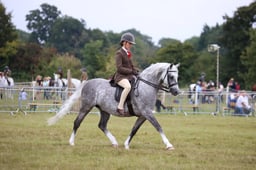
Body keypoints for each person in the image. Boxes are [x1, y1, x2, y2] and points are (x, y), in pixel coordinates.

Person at [114, 32, 139, 115]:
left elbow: (131, 66)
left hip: (128, 76)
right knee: (128, 87)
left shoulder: (128, 53)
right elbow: (119, 68)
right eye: (130, 43)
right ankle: (120, 107)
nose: (131, 45)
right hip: (120, 77)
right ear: (124, 42)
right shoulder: (119, 53)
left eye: (131, 43)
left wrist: (137, 71)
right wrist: (131, 71)